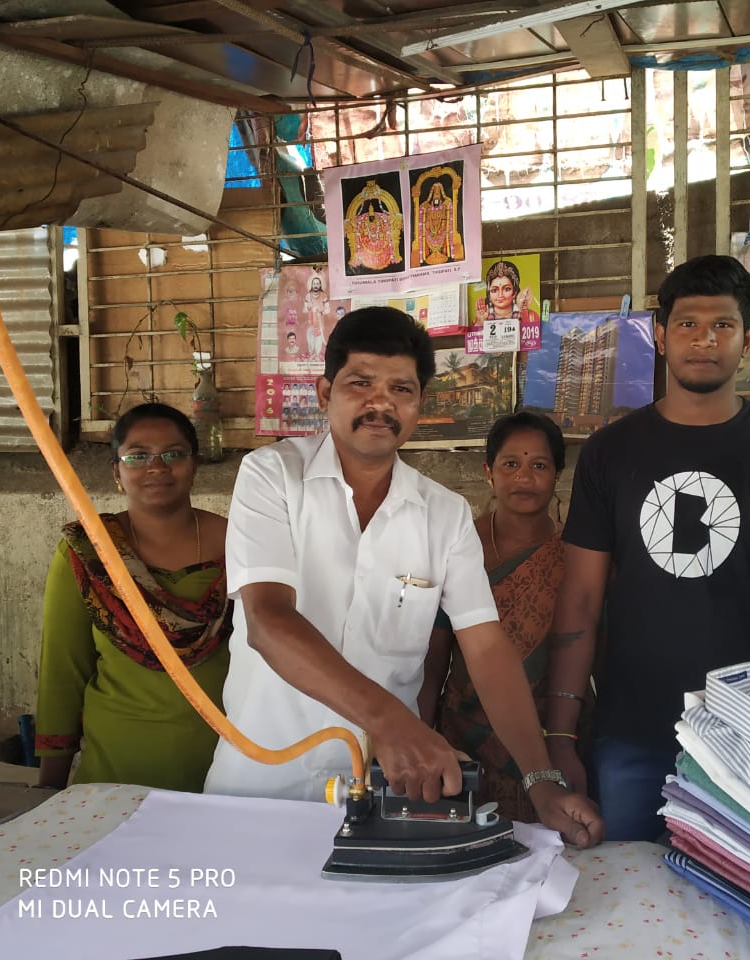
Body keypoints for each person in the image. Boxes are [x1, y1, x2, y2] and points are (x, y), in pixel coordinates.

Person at [204, 307, 603, 848]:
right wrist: (394, 722)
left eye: (401, 389)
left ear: (419, 406)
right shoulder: (272, 476)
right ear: (325, 393)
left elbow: (486, 648)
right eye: (360, 383)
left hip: (383, 797)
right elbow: (269, 622)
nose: (380, 403)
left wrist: (539, 780)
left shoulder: (444, 514)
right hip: (257, 788)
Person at [545, 254, 750, 841]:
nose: (705, 340)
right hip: (633, 730)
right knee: (627, 895)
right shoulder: (609, 453)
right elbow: (582, 599)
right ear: (661, 336)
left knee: (745, 910)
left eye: (722, 325)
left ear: (747, 340)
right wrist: (561, 734)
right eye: (689, 324)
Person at [35, 402, 231, 791]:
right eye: (138, 455)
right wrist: (50, 789)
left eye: (173, 454)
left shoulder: (238, 543)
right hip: (117, 772)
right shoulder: (89, 552)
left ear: (194, 465)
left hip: (224, 769)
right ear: (117, 472)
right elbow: (63, 670)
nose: (156, 467)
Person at [418, 412, 573, 823]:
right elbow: (433, 658)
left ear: (557, 473)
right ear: (488, 472)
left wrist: (567, 740)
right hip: (463, 739)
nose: (524, 476)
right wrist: (422, 730)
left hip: (550, 737)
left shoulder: (576, 558)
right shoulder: (458, 547)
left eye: (539, 465)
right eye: (511, 464)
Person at [476, 259, 540, 325]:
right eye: (494, 290)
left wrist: (524, 316)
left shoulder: (530, 316)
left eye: (506, 289)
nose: (500, 295)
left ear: (515, 292)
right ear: (489, 294)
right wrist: (481, 321)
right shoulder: (480, 319)